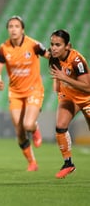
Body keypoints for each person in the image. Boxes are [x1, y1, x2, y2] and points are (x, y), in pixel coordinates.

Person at [0, 15, 50, 171]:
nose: (13, 29)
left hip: (34, 90)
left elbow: (50, 56)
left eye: (16, 26)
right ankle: (32, 162)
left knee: (27, 124)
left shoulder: (34, 45)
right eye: (10, 26)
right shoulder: (4, 48)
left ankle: (34, 128)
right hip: (15, 93)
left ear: (22, 29)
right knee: (19, 131)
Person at [48, 29, 90, 179]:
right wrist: (58, 83)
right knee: (60, 126)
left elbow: (87, 87)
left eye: (58, 45)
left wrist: (64, 78)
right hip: (69, 97)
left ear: (68, 46)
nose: (54, 48)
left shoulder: (77, 61)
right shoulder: (53, 57)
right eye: (52, 44)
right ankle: (68, 163)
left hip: (87, 98)